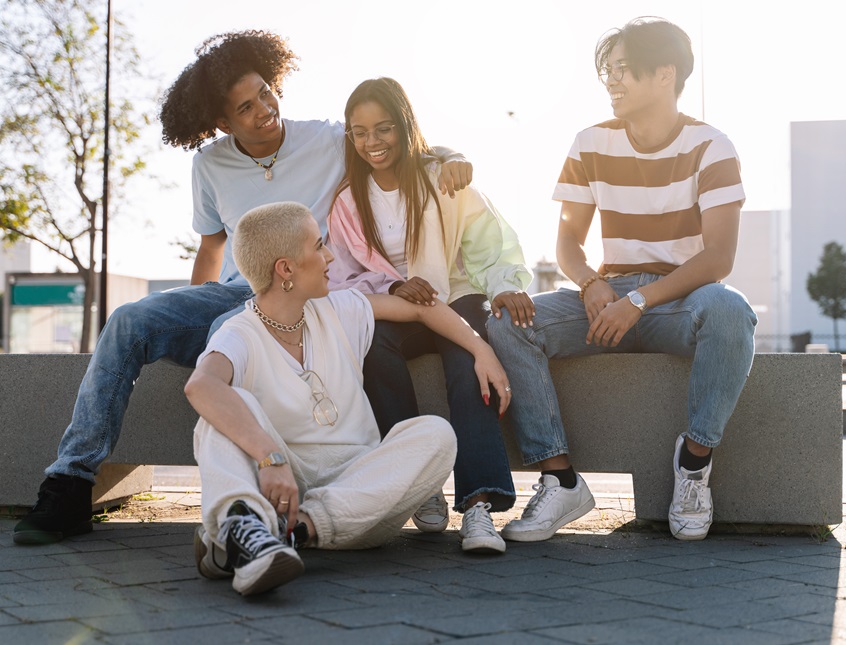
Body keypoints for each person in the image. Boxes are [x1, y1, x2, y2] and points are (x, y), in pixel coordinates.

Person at [14, 29, 472, 546]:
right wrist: (187, 315)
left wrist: (450, 155)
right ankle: (71, 482)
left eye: (266, 94)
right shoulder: (208, 165)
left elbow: (393, 144)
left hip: (305, 294)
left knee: (225, 333)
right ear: (221, 121)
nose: (264, 110)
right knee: (131, 320)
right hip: (236, 292)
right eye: (246, 107)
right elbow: (211, 249)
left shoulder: (326, 139)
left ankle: (275, 510)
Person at [487, 17, 757, 542]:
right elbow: (568, 242)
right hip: (605, 300)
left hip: (679, 299)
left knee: (730, 309)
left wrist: (638, 299)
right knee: (508, 321)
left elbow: (719, 258)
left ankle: (694, 463)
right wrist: (591, 283)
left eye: (623, 70)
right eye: (607, 71)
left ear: (664, 74)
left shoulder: (712, 147)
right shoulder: (590, 143)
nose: (611, 82)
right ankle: (560, 479)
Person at [186, 201, 511, 596]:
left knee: (437, 434)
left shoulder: (340, 309)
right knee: (220, 412)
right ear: (286, 269)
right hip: (281, 484)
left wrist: (482, 350)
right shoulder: (239, 332)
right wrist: (270, 457)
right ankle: (250, 530)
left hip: (360, 496)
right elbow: (201, 386)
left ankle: (271, 537)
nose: (330, 256)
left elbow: (424, 311)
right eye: (318, 246)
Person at [327, 78, 533, 554]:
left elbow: (491, 245)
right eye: (360, 132)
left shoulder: (443, 178)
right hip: (396, 305)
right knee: (372, 349)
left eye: (383, 129)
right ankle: (417, 486)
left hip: (454, 296)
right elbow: (342, 275)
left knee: (466, 364)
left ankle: (478, 506)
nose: (372, 142)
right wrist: (394, 284)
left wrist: (504, 287)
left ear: (404, 125)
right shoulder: (347, 201)